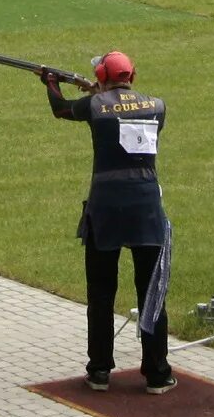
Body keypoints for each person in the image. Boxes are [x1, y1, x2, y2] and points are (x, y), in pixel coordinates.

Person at [41, 50, 175, 393]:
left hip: (106, 208)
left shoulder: (95, 107)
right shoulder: (158, 106)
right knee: (152, 294)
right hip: (146, 206)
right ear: (133, 75)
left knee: (101, 293)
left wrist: (52, 83)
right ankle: (157, 373)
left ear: (101, 75)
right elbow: (125, 121)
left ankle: (100, 371)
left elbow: (60, 109)